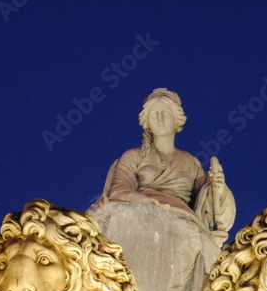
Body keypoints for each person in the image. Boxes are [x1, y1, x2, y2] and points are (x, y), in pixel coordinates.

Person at [96, 88, 235, 245]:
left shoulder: (191, 162)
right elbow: (118, 190)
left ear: (176, 119)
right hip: (140, 212)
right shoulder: (133, 156)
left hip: (182, 219)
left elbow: (208, 203)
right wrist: (144, 200)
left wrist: (219, 188)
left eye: (165, 113)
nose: (160, 119)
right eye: (155, 114)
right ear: (147, 122)